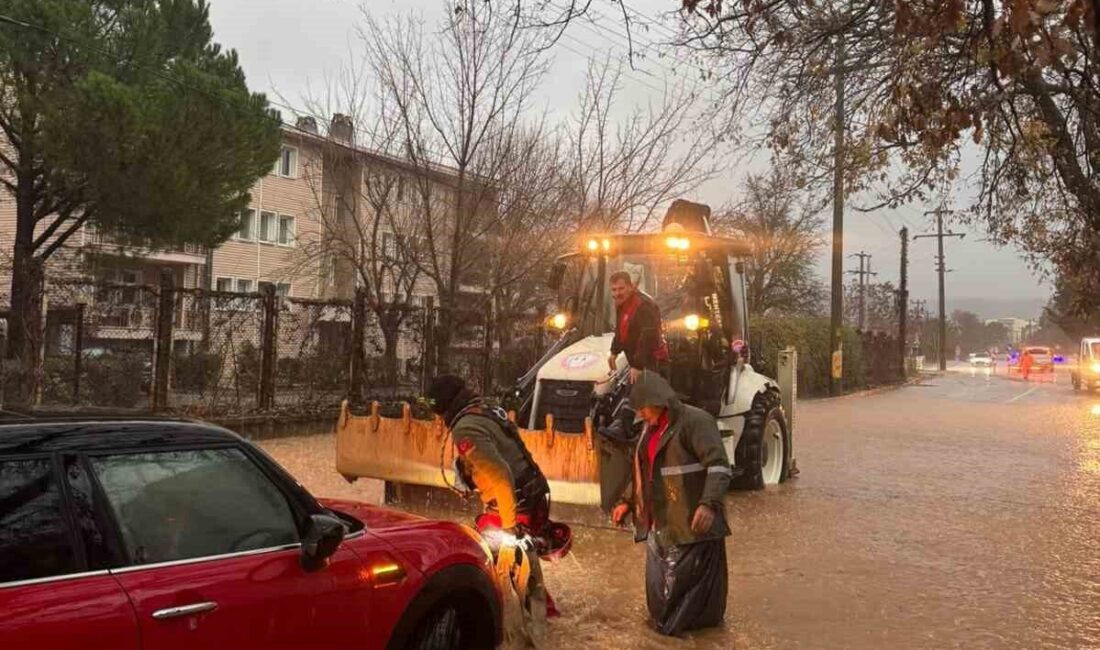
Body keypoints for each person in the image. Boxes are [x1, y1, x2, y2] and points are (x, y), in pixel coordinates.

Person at [426, 374, 562, 620]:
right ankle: (546, 617)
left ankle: (533, 626)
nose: (437, 420)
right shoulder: (485, 410)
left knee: (497, 560)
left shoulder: (465, 428)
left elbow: (501, 476)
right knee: (524, 569)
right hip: (533, 494)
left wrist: (509, 531)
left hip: (514, 505)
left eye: (436, 414)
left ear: (443, 408)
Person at [611, 372, 731, 636]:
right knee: (660, 609)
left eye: (644, 407)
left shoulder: (696, 422)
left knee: (682, 617)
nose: (641, 414)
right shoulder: (649, 429)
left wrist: (709, 504)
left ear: (660, 401)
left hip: (691, 531)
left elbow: (720, 467)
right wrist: (627, 503)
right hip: (659, 527)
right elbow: (644, 471)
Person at [608, 271, 669, 383]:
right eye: (614, 289)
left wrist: (638, 366)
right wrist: (614, 351)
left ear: (631, 287)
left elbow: (649, 336)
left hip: (652, 362)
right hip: (638, 361)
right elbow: (621, 330)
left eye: (621, 288)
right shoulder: (621, 303)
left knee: (649, 398)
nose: (617, 293)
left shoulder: (644, 305)